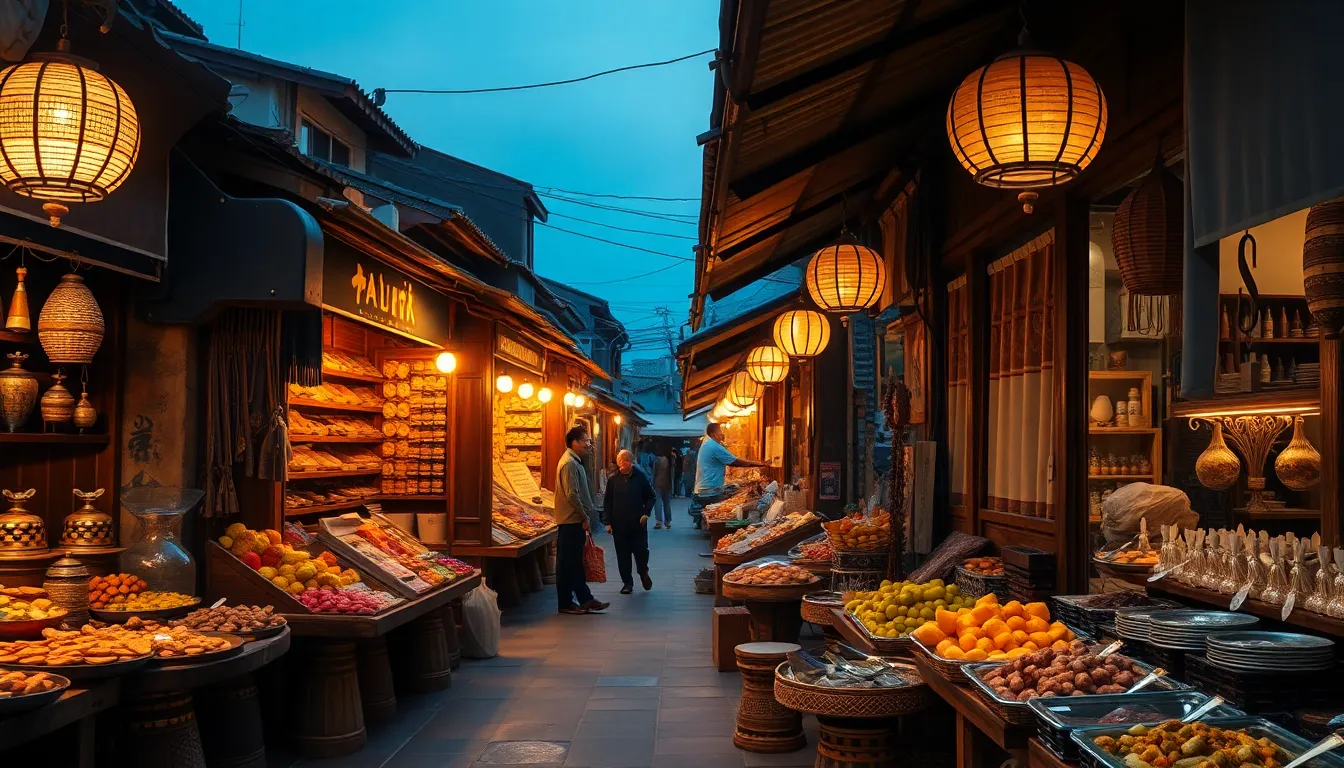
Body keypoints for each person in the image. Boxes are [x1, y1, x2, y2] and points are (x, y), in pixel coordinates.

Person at [554, 426, 610, 615]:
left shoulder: (574, 462)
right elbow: (572, 495)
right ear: (574, 442)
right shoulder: (569, 463)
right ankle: (567, 603)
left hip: (573, 520)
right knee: (568, 564)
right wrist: (584, 517)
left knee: (574, 563)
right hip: (571, 520)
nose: (589, 444)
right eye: (585, 440)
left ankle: (585, 599)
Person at [602, 449, 654, 594]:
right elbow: (607, 502)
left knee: (641, 552)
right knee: (622, 555)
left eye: (624, 462)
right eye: (619, 463)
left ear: (630, 462)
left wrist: (646, 513)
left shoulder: (640, 477)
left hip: (638, 524)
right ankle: (627, 583)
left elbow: (651, 496)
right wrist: (607, 522)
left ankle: (643, 572)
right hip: (619, 525)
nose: (621, 466)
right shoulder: (613, 479)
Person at [695, 422, 767, 498]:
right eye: (720, 432)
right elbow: (735, 462)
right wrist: (760, 464)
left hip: (705, 489)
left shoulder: (708, 444)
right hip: (710, 491)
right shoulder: (714, 446)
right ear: (714, 435)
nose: (722, 434)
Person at [652, 450, 673, 529]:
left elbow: (654, 472)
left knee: (658, 502)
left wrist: (653, 483)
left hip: (658, 483)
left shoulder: (657, 460)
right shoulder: (670, 460)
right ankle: (668, 522)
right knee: (667, 503)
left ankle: (659, 522)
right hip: (667, 483)